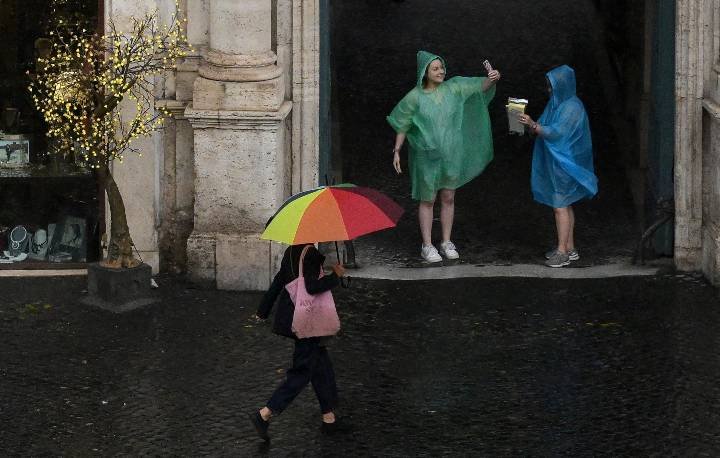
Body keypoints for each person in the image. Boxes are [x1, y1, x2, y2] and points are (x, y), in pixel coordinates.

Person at [387, 51, 500, 263]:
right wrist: (397, 150)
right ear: (425, 72)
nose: (440, 71)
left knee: (448, 197)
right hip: (426, 157)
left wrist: (491, 78)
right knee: (427, 199)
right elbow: (403, 123)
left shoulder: (454, 88)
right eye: (435, 68)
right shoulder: (415, 96)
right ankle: (427, 245)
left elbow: (478, 88)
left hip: (451, 154)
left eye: (441, 67)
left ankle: (447, 241)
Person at [250, 243, 347, 441]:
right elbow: (312, 287)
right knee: (303, 371)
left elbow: (279, 281)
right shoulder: (310, 253)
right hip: (308, 322)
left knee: (321, 367)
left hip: (293, 317)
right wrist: (335, 276)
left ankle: (329, 418)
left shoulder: (292, 250)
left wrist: (263, 311)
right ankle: (265, 414)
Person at [518, 65, 598, 267]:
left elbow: (556, 133)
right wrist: (530, 124)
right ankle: (570, 248)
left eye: (552, 86)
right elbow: (546, 127)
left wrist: (534, 125)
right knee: (566, 204)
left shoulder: (571, 106)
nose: (549, 90)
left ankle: (562, 251)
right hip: (559, 163)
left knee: (560, 207)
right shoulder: (559, 103)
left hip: (565, 164)